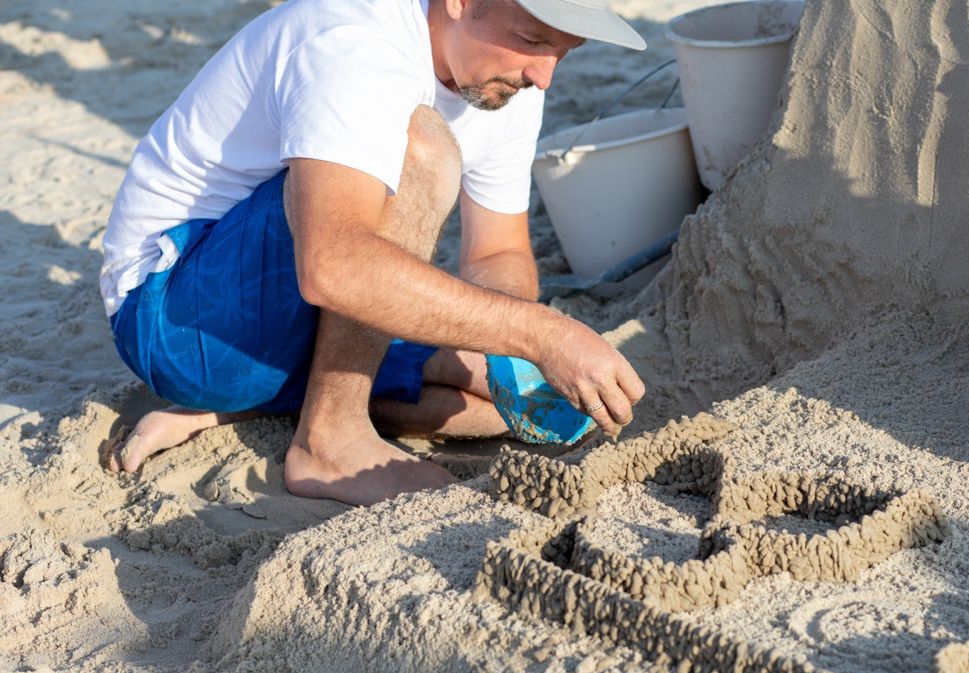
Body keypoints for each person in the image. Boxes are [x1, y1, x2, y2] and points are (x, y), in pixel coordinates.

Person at [99, 0, 648, 505]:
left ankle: (243, 404)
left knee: (502, 405)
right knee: (422, 148)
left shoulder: (506, 84)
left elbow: (497, 253)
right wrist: (542, 333)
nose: (544, 76)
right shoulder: (354, 39)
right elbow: (333, 266)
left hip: (284, 312)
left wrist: (512, 354)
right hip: (175, 309)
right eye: (532, 38)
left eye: (564, 50)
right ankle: (331, 437)